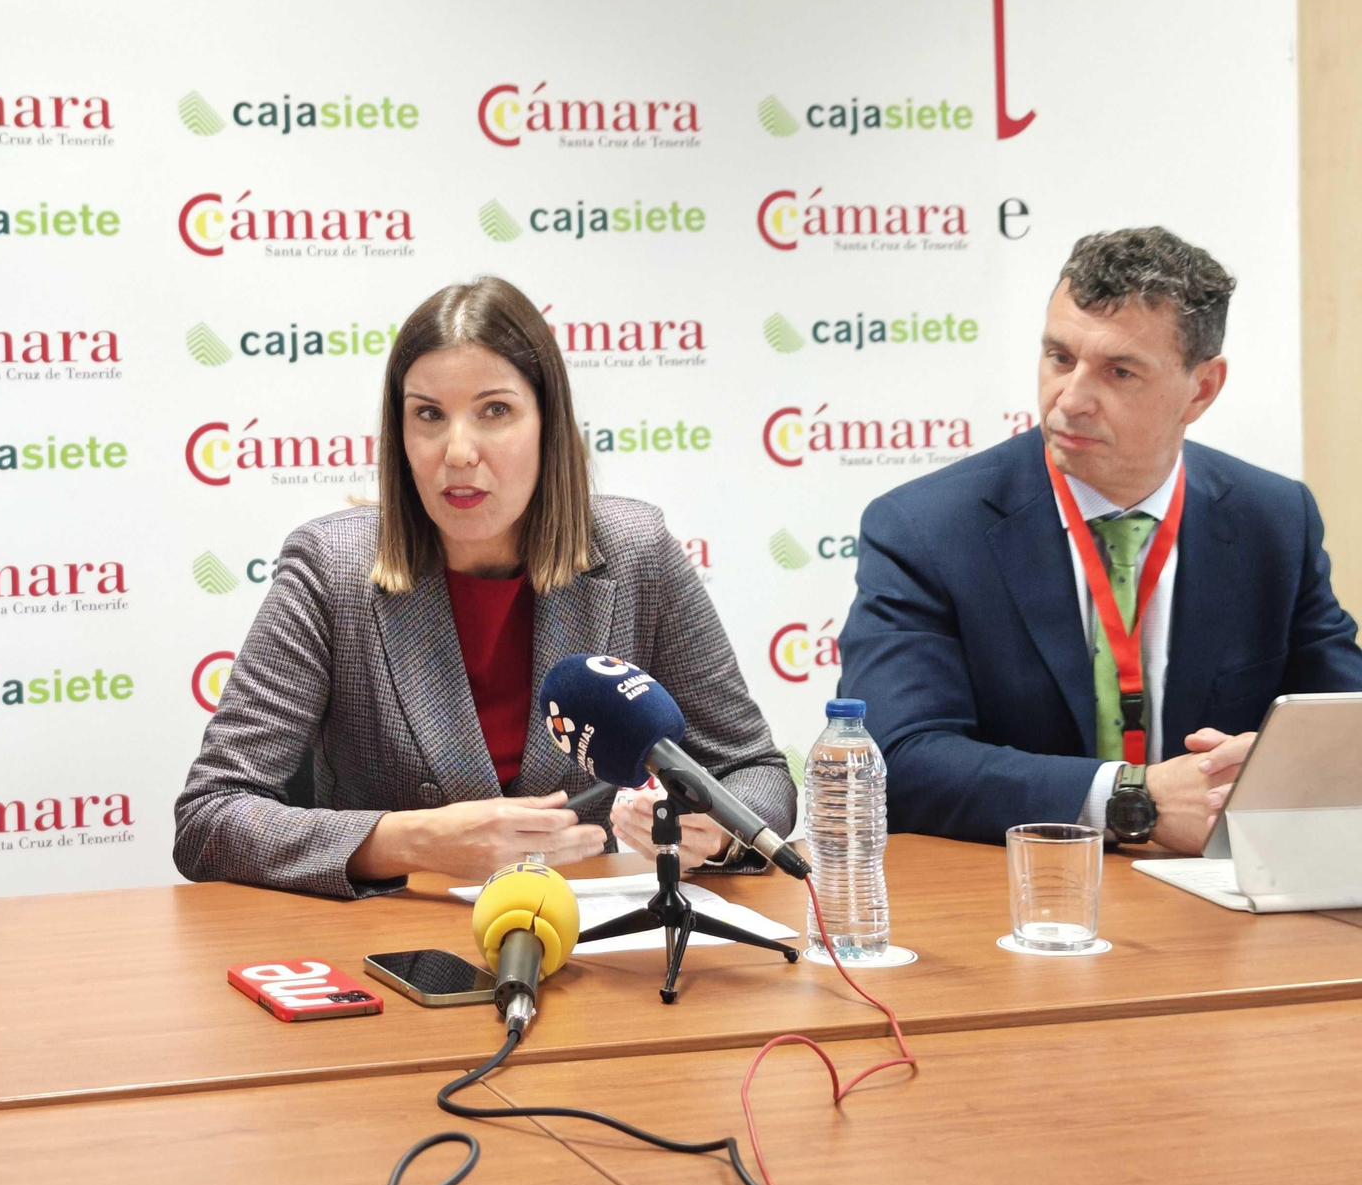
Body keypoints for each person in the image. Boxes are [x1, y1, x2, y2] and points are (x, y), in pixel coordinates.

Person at [174, 275, 794, 896]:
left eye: (495, 411)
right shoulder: (330, 569)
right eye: (428, 415)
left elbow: (755, 772)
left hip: (601, 936)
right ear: (401, 434)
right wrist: (410, 840)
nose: (459, 451)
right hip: (406, 938)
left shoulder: (637, 552)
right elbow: (210, 817)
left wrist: (715, 827)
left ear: (547, 424)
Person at [838, 228, 1362, 851]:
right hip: (1019, 895)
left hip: (1220, 898)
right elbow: (896, 760)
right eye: (1060, 358)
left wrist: (1279, 763)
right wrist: (1131, 797)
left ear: (1202, 389)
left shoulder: (1274, 519)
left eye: (1118, 372)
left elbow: (1340, 722)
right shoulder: (927, 529)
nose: (1072, 400)